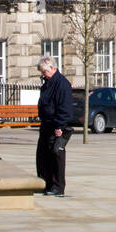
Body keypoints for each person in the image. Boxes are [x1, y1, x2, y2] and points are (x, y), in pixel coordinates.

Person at [36, 56, 74, 196]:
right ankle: (46, 183)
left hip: (56, 125)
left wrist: (59, 125)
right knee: (43, 155)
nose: (43, 74)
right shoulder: (48, 82)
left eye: (44, 72)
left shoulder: (62, 84)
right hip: (46, 123)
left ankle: (57, 186)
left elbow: (64, 107)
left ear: (52, 68)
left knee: (56, 154)